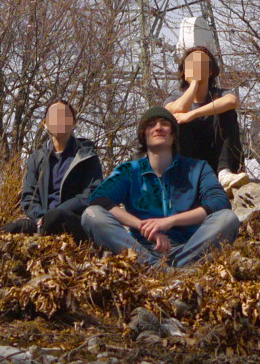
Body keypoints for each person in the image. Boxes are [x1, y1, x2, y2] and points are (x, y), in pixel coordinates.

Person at [81, 106, 241, 269]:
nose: (158, 127)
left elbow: (220, 202)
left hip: (189, 247)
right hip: (140, 249)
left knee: (227, 218)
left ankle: (163, 270)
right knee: (91, 214)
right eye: (151, 125)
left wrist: (169, 222)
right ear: (144, 136)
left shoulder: (198, 168)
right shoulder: (129, 170)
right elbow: (99, 198)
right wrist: (144, 227)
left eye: (164, 123)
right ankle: (161, 269)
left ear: (174, 134)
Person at [4, 98, 104, 239]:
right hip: (43, 220)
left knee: (56, 216)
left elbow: (91, 194)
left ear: (73, 123)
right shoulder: (36, 158)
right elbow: (29, 197)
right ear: (45, 124)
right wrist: (40, 217)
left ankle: (41, 234)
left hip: (75, 222)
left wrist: (57, 212)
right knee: (11, 228)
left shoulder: (86, 156)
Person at [166, 45, 244, 176]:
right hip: (190, 162)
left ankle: (224, 172)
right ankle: (188, 176)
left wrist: (194, 113)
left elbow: (232, 102)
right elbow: (177, 110)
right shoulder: (174, 98)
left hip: (219, 159)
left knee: (227, 112)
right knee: (179, 118)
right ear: (184, 71)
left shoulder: (221, 94)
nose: (196, 67)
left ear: (210, 71)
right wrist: (194, 84)